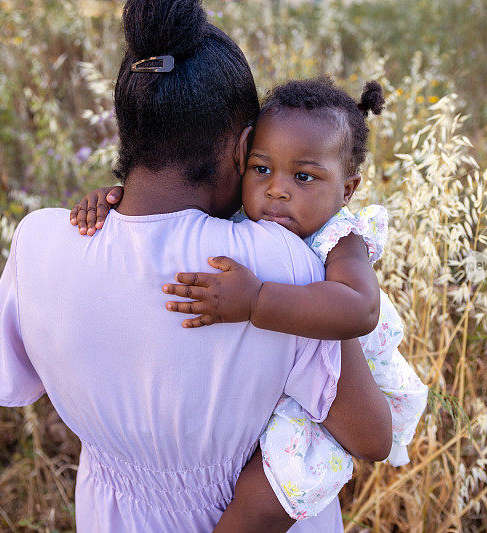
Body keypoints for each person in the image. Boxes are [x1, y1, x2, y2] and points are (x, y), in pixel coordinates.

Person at [0, 1, 391, 531]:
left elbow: (12, 382)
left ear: (129, 131)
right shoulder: (276, 264)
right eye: (261, 164)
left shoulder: (39, 240)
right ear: (243, 149)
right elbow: (373, 436)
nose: (274, 188)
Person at [73, 78, 429, 523]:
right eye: (261, 168)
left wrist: (258, 299)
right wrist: (120, 202)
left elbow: (361, 308)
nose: (277, 189)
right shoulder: (250, 218)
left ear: (348, 189)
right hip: (287, 389)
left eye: (303, 176)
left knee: (262, 498)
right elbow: (171, 207)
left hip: (335, 398)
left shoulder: (343, 238)